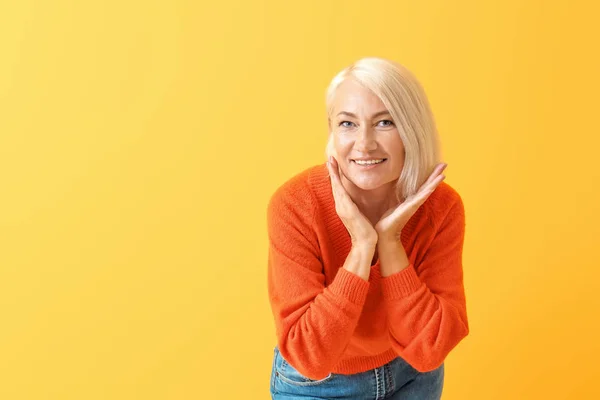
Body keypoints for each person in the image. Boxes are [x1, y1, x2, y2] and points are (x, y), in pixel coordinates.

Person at [266, 57, 469, 399]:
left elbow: (429, 349)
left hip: (411, 375)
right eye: (348, 123)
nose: (365, 143)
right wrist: (362, 246)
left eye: (385, 122)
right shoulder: (294, 205)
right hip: (319, 386)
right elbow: (310, 357)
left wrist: (390, 243)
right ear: (332, 129)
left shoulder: (440, 207)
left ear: (411, 129)